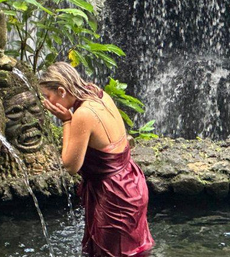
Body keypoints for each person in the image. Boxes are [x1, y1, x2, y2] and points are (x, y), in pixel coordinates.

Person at [39, 62, 154, 257]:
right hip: (132, 182)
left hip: (114, 195)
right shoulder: (97, 93)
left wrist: (67, 121)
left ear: (61, 91)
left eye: (48, 96)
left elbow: (70, 165)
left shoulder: (82, 115)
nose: (47, 102)